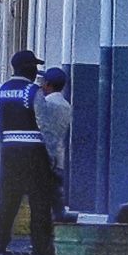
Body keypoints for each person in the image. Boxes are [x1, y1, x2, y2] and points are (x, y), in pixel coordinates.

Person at [0, 50, 56, 255]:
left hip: (10, 151)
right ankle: (41, 247)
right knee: (40, 200)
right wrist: (51, 153)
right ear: (27, 68)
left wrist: (4, 145)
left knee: (8, 199)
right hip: (35, 152)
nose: (36, 70)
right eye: (34, 66)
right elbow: (44, 124)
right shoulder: (33, 91)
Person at [36, 67, 76, 223]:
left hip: (46, 155)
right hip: (59, 155)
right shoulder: (66, 105)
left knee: (43, 196)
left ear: (47, 84)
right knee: (56, 193)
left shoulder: (46, 104)